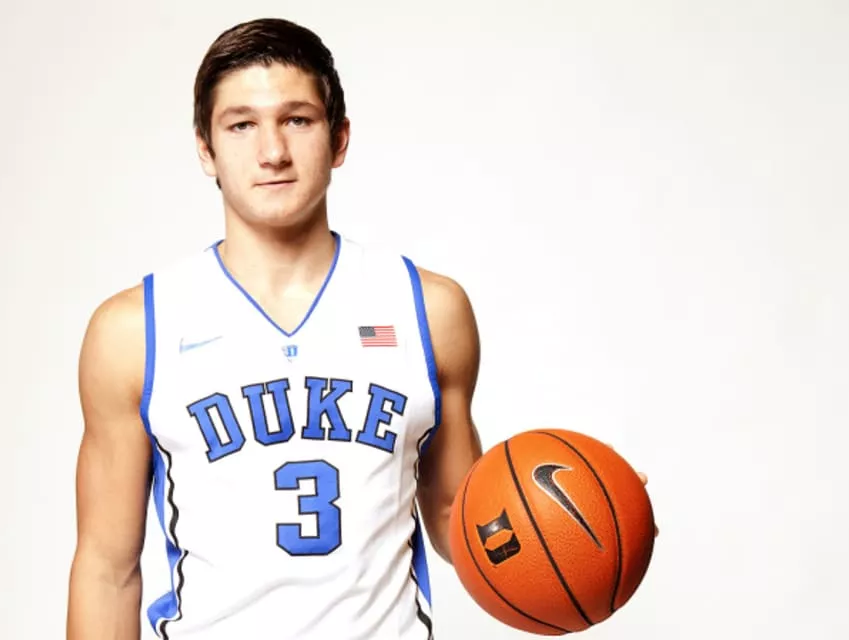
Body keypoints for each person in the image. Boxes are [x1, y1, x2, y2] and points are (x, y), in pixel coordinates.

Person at [66, 17, 649, 640]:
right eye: (241, 125)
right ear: (206, 149)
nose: (272, 151)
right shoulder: (136, 330)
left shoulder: (429, 310)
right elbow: (106, 569)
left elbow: (460, 520)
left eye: (297, 120)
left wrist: (596, 515)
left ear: (339, 138)